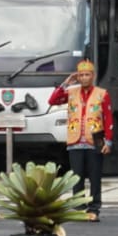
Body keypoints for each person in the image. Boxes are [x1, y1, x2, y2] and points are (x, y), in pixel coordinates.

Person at [48, 59, 112, 222]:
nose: (84, 78)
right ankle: (79, 208)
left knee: (95, 177)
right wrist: (66, 83)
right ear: (78, 76)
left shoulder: (102, 94)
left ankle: (94, 209)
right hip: (75, 141)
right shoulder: (71, 92)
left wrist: (108, 142)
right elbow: (52, 100)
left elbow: (108, 119)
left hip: (95, 141)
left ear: (93, 75)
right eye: (81, 75)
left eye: (87, 74)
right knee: (77, 177)